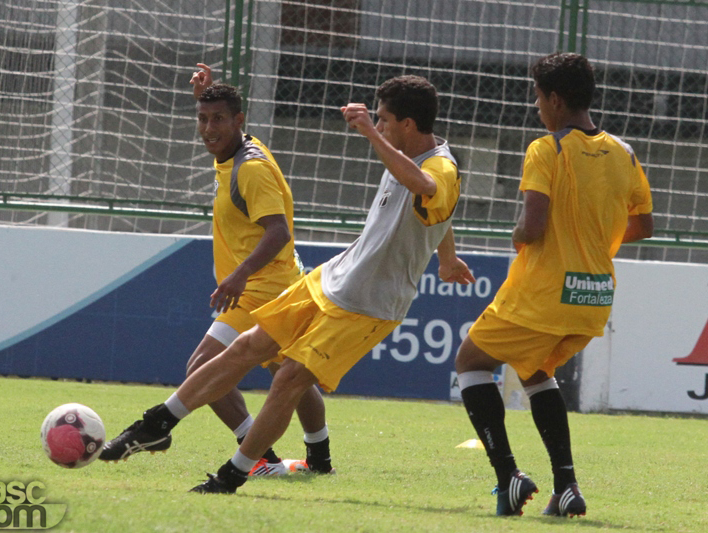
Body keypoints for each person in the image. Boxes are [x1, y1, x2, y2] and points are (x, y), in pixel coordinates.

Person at [117, 74, 473, 494]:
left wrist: (372, 135)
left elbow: (428, 188)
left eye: (385, 120)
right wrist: (447, 259)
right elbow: (436, 210)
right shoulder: (407, 154)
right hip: (333, 276)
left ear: (407, 125)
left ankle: (232, 476)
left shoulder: (439, 166)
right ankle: (156, 423)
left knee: (288, 379)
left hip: (369, 303)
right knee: (248, 347)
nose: (380, 125)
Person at [100, 64, 332, 476]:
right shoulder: (236, 149)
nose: (208, 128)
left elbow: (278, 231)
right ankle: (320, 461)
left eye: (218, 119)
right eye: (203, 119)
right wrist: (208, 96)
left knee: (202, 369)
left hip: (264, 290)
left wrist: (240, 273)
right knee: (290, 375)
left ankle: (257, 456)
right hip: (277, 284)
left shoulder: (252, 169)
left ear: (239, 122)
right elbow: (223, 126)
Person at [454, 52, 654, 517]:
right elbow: (643, 223)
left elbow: (533, 226)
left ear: (557, 99)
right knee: (535, 370)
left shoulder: (547, 149)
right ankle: (566, 487)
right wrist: (593, 235)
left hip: (542, 294)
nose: (538, 106)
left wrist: (517, 233)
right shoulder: (623, 152)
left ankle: (507, 478)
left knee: (469, 362)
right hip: (592, 297)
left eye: (539, 96)